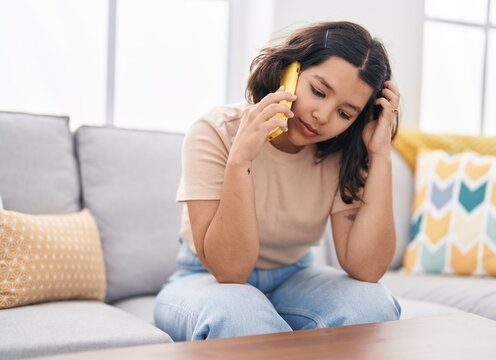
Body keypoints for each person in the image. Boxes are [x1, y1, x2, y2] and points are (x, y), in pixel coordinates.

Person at [154, 20, 402, 341]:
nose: (323, 116)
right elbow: (230, 272)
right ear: (290, 71)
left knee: (373, 305)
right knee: (237, 314)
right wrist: (240, 160)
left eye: (345, 113)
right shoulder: (214, 131)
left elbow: (366, 268)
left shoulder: (343, 152)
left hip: (294, 276)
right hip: (208, 278)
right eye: (318, 91)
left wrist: (380, 154)